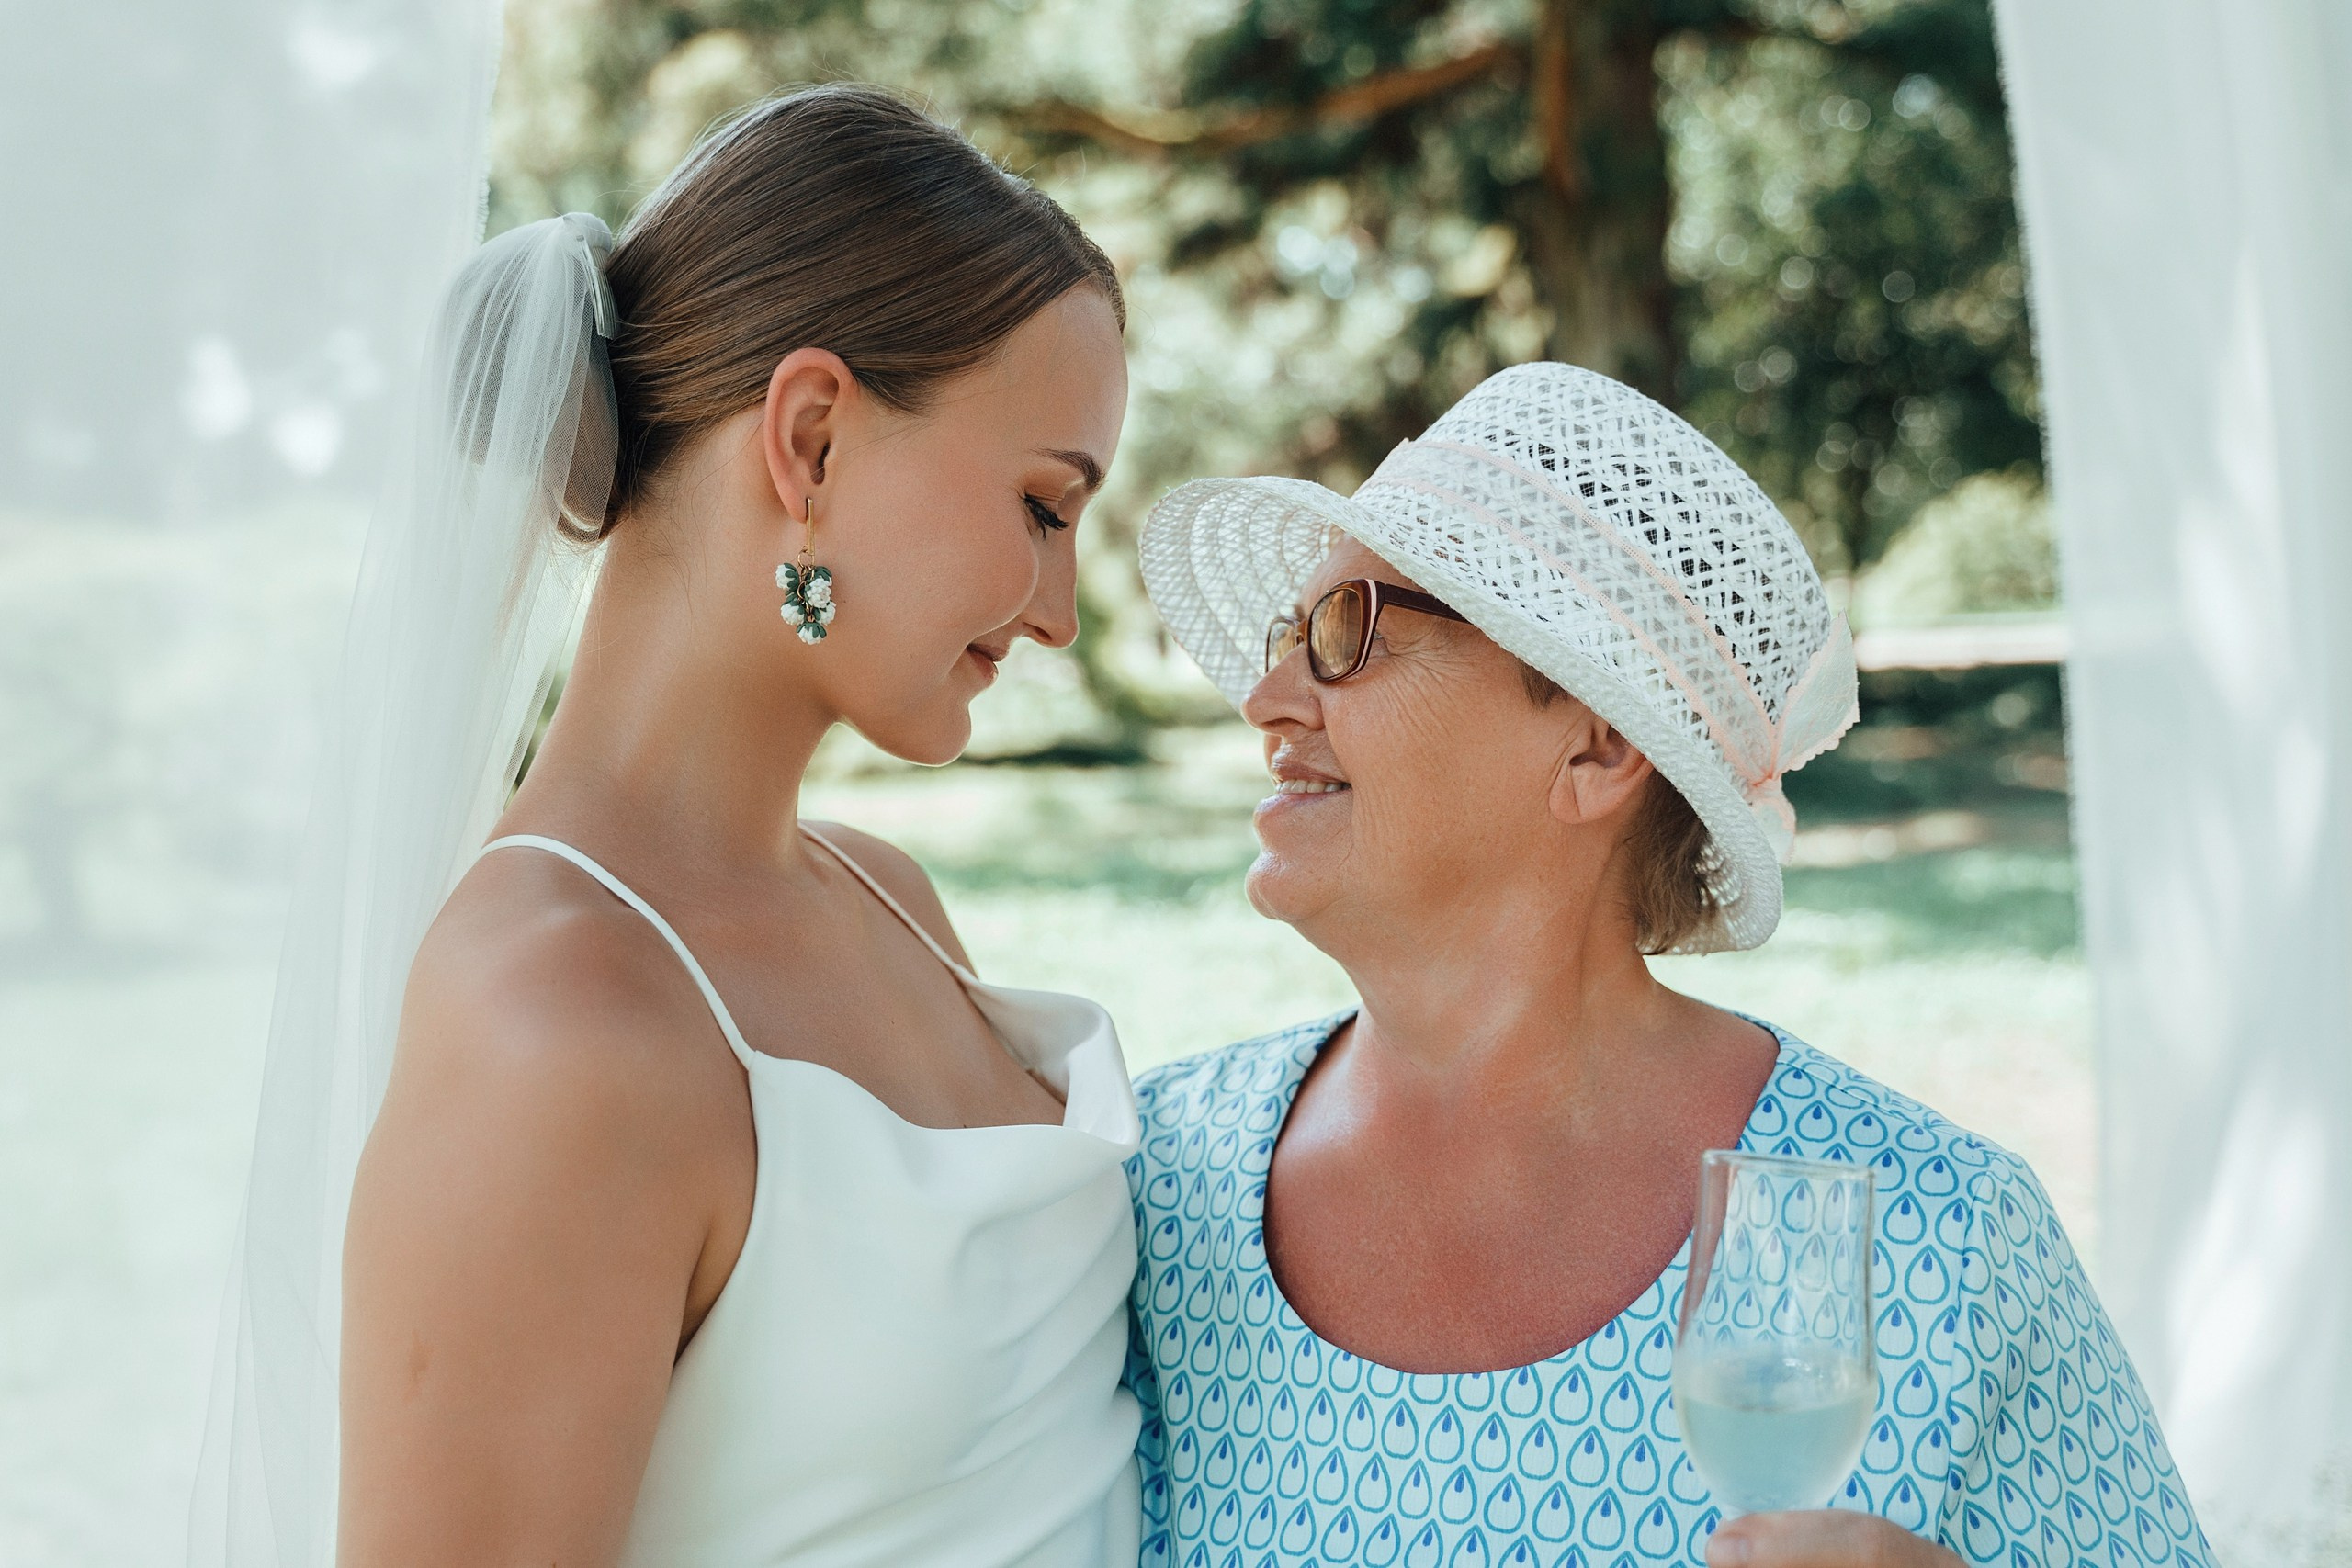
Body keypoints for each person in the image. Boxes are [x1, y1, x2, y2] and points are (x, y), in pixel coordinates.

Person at [194, 86, 1141, 1568]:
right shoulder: (555, 1025)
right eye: (1041, 504)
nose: (1060, 612)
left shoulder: (890, 902)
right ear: (813, 442)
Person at [1122, 364, 2211, 1568]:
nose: (1266, 701)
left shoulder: (1941, 1241)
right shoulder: (1159, 1187)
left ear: (1595, 749)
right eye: (1288, 636)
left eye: (1347, 634)